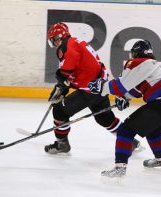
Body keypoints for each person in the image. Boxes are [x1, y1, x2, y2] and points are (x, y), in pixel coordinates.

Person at [88, 39, 161, 177]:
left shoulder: (138, 62)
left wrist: (101, 87)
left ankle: (120, 168)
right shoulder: (154, 66)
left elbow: (120, 85)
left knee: (125, 131)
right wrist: (124, 98)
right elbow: (137, 91)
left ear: (135, 53)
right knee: (152, 130)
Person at [45, 22, 141, 154]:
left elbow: (65, 72)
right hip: (100, 86)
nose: (54, 43)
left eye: (54, 40)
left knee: (59, 112)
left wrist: (62, 84)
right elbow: (80, 70)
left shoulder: (69, 47)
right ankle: (130, 142)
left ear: (60, 37)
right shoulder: (74, 42)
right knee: (105, 118)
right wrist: (65, 86)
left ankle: (62, 144)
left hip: (90, 89)